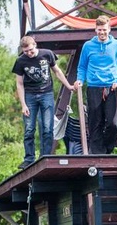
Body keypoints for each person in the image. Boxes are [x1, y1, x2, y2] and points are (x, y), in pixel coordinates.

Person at [12, 36, 79, 170]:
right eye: (26, 51)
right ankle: (29, 158)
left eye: (31, 50)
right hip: (30, 96)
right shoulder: (20, 61)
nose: (29, 53)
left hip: (46, 95)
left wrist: (69, 86)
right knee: (29, 128)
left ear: (35, 45)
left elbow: (57, 72)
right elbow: (19, 84)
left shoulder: (47, 54)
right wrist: (23, 104)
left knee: (47, 128)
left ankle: (45, 156)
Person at [74, 15, 117, 154]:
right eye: (99, 30)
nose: (102, 33)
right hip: (93, 87)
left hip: (111, 87)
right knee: (95, 122)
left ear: (109, 29)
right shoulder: (88, 46)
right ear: (95, 30)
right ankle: (98, 154)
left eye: (104, 30)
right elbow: (82, 67)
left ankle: (107, 149)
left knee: (113, 124)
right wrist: (80, 79)